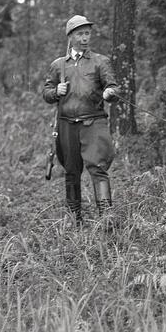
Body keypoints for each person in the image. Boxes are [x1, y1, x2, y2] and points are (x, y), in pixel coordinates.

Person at [43, 15, 119, 227]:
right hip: (66, 125)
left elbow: (113, 87)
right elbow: (46, 93)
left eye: (87, 33)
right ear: (70, 36)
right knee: (71, 171)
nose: (85, 38)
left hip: (93, 123)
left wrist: (110, 93)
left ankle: (107, 221)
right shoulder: (58, 65)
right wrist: (55, 92)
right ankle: (74, 220)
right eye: (80, 34)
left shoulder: (100, 61)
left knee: (98, 169)